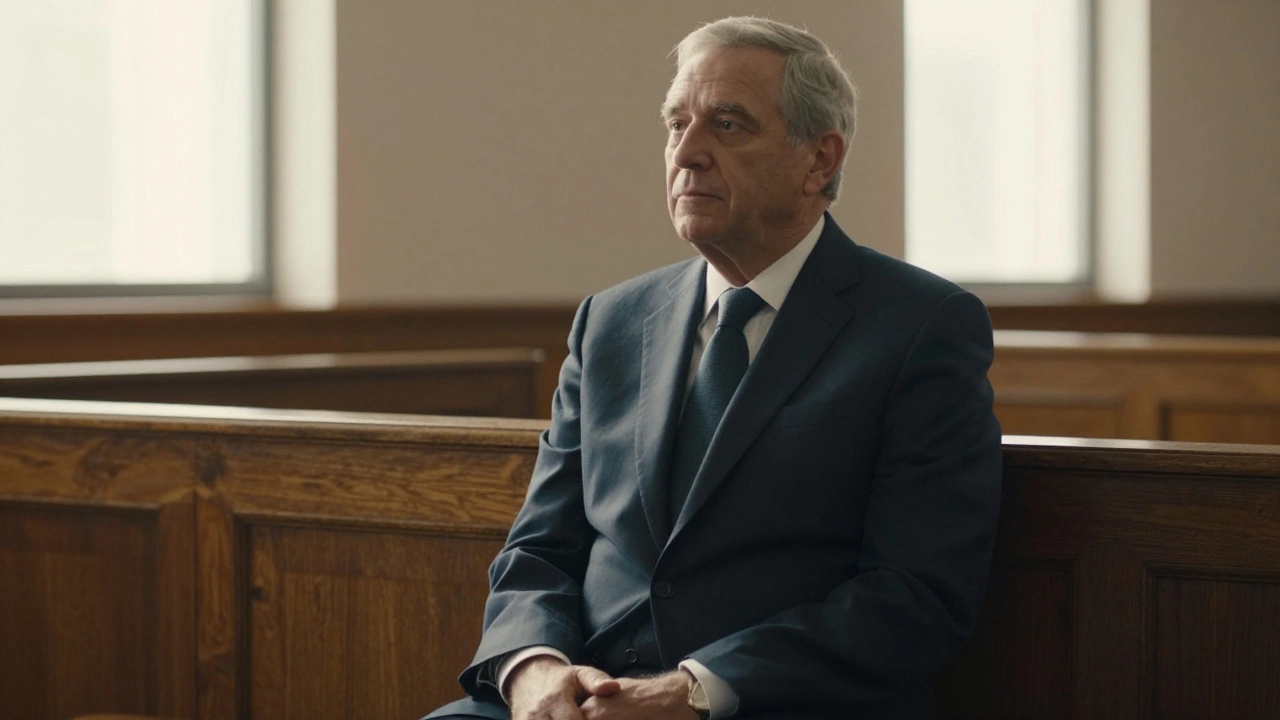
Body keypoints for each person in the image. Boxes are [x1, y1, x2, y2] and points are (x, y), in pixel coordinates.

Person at [426, 16, 1001, 720]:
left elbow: (915, 596)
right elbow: (540, 550)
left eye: (728, 125)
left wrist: (696, 689)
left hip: (768, 703)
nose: (687, 152)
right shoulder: (609, 321)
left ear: (819, 160)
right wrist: (533, 669)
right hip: (578, 702)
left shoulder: (920, 327)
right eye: (676, 124)